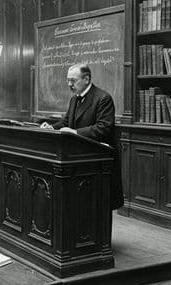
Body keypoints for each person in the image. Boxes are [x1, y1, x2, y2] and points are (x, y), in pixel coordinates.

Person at [41, 63, 123, 209]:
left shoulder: (103, 98)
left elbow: (103, 128)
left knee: (98, 208)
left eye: (73, 80)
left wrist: (75, 132)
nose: (69, 84)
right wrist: (52, 128)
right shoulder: (74, 99)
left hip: (98, 162)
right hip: (78, 160)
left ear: (86, 79)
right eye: (68, 80)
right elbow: (67, 122)